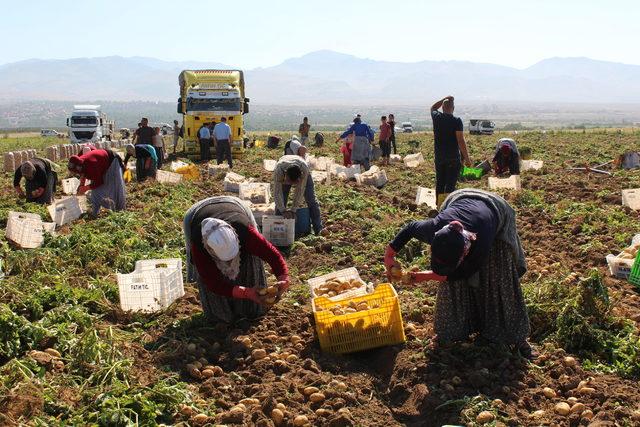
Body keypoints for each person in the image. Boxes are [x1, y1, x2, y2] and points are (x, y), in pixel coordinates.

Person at [384, 189, 533, 358]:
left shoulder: (481, 242)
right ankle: (451, 332)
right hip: (458, 198)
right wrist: (389, 256)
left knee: (496, 276)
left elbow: (462, 273)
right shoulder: (433, 229)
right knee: (452, 285)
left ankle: (512, 336)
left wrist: (424, 276)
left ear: (464, 252)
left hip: (495, 210)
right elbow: (410, 228)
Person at [184, 196, 290, 323]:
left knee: (251, 262)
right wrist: (246, 293)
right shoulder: (199, 247)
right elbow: (213, 283)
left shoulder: (245, 232)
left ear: (235, 236)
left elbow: (273, 255)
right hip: (195, 213)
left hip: (235, 206)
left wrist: (284, 278)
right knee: (208, 280)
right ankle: (220, 315)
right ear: (210, 249)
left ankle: (250, 309)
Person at [430, 96, 472, 206]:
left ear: (442, 107)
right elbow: (460, 140)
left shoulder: (437, 117)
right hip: (453, 158)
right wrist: (467, 159)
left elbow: (433, 107)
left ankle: (439, 206)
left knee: (440, 182)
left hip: (439, 157)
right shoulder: (456, 121)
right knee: (450, 185)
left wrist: (445, 98)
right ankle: (447, 208)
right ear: (453, 108)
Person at [273, 155, 322, 235]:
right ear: (286, 176)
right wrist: (283, 210)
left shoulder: (304, 171)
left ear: (299, 179)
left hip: (302, 167)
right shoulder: (279, 170)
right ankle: (278, 230)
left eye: (294, 183)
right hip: (283, 170)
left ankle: (318, 229)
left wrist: (293, 210)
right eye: (289, 182)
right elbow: (277, 192)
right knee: (282, 199)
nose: (291, 184)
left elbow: (300, 191)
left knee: (311, 200)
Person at [67, 148, 126, 216]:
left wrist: (85, 188)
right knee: (95, 191)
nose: (75, 174)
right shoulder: (79, 163)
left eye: (74, 172)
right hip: (101, 163)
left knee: (113, 187)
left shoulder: (91, 165)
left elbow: (99, 181)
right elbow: (83, 175)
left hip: (112, 161)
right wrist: (81, 185)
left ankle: (120, 210)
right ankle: (95, 213)